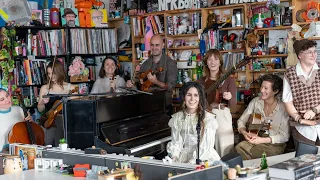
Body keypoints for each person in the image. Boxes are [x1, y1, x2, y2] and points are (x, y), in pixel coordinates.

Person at [236, 74, 290, 160]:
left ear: (275, 91)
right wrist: (244, 133)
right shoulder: (256, 102)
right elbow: (241, 121)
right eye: (261, 87)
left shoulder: (283, 108)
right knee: (239, 147)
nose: (261, 90)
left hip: (273, 143)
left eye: (266, 88)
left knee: (259, 154)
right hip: (255, 137)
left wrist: (261, 140)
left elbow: (285, 136)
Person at [166, 82, 220, 164]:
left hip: (203, 157)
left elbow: (205, 148)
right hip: (183, 156)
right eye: (189, 95)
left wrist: (192, 162)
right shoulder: (177, 118)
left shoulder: (208, 119)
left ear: (200, 98)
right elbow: (176, 142)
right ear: (184, 97)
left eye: (196, 95)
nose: (192, 99)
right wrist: (174, 156)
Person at [197, 49, 237, 157]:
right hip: (205, 115)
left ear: (220, 62)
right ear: (206, 62)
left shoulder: (229, 80)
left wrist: (230, 97)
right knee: (204, 149)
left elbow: (234, 105)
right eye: (210, 59)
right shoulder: (200, 81)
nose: (213, 62)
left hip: (222, 114)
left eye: (216, 59)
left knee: (225, 149)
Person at [127, 34, 178, 115]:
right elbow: (139, 84)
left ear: (163, 45)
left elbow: (170, 86)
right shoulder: (145, 64)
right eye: (152, 45)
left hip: (163, 106)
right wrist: (132, 85)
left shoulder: (170, 63)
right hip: (146, 105)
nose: (154, 48)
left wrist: (156, 82)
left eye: (157, 45)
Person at [283, 39, 320, 147]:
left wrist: (314, 110)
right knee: (303, 161)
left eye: (315, 51)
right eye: (309, 52)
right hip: (302, 129)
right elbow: (288, 102)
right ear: (299, 55)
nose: (314, 55)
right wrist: (299, 119)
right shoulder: (290, 74)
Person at [37, 60, 76, 146]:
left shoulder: (70, 87)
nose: (51, 76)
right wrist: (42, 102)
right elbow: (40, 110)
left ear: (59, 72)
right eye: (49, 73)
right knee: (47, 144)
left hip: (66, 122)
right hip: (50, 122)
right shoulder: (45, 88)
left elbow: (75, 108)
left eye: (53, 73)